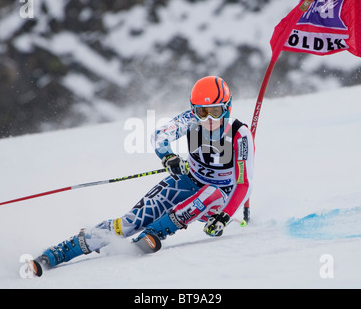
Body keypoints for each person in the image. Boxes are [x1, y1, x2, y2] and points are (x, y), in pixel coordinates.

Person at [31, 76, 254, 276]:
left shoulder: (239, 134)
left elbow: (244, 184)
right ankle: (61, 252)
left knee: (210, 193)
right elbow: (161, 135)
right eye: (202, 112)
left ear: (227, 107)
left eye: (215, 111)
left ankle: (154, 233)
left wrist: (224, 217)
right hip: (187, 180)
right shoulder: (190, 120)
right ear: (194, 109)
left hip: (220, 198)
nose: (208, 119)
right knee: (128, 223)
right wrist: (168, 156)